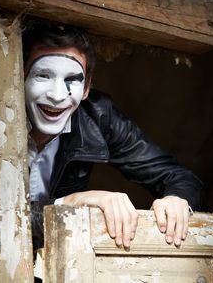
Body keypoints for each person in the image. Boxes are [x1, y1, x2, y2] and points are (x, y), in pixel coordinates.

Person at [22, 19, 203, 254]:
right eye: (43, 76)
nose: (57, 96)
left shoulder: (97, 115)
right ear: (18, 75)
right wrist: (68, 204)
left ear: (86, 88)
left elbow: (179, 177)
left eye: (72, 80)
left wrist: (178, 199)